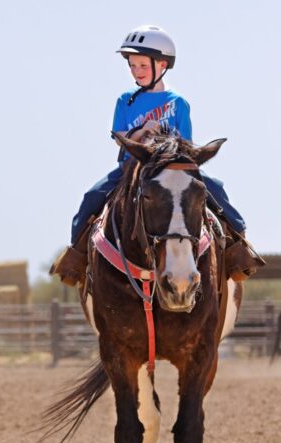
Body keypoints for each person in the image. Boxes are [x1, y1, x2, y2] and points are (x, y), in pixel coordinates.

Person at [53, 25, 262, 286]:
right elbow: (119, 137)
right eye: (132, 66)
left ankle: (238, 247)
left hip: (173, 168)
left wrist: (165, 138)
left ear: (161, 64)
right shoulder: (125, 100)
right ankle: (77, 258)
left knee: (215, 188)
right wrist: (141, 132)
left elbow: (185, 145)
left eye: (142, 65)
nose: (136, 71)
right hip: (133, 167)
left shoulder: (178, 103)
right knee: (92, 196)